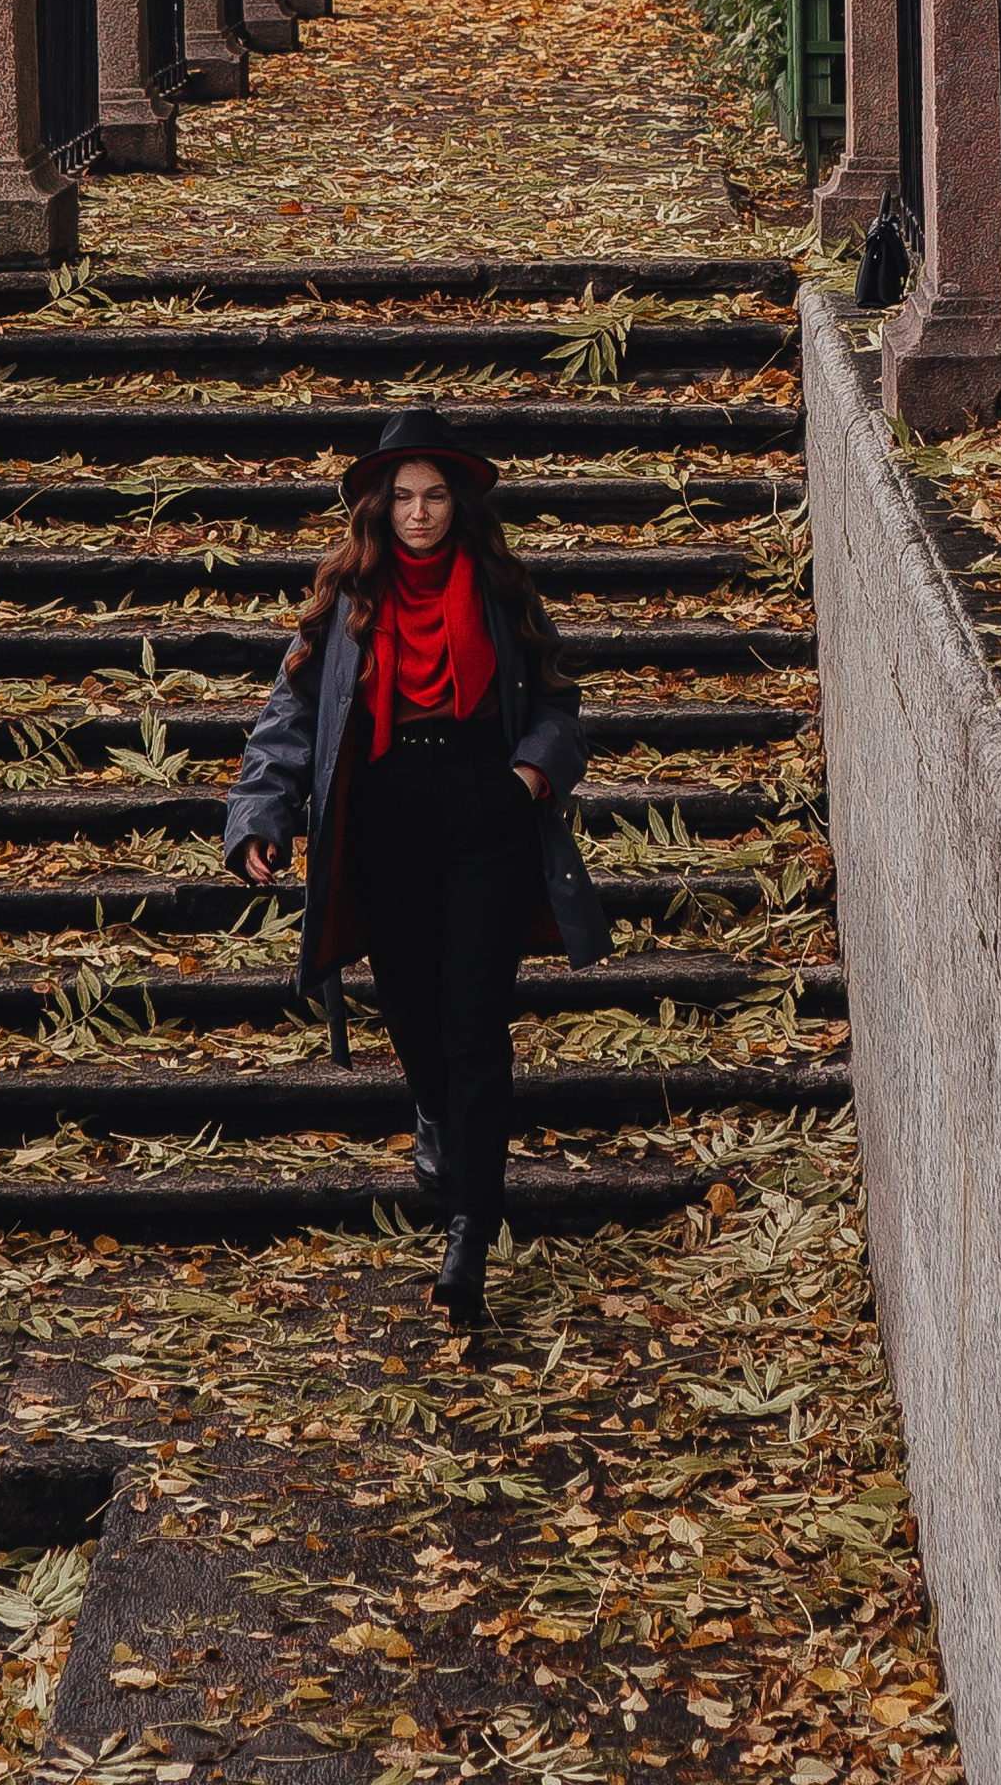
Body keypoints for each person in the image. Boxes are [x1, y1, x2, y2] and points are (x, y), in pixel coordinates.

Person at [224, 408, 610, 1323]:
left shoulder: (503, 588)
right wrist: (260, 814)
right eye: (403, 498)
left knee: (475, 1021)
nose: (421, 513)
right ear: (378, 508)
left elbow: (561, 706)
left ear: (459, 506)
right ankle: (437, 1118)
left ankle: (470, 1229)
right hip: (385, 819)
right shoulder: (345, 600)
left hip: (486, 817)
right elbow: (290, 719)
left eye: (435, 497)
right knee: (410, 1009)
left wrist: (527, 774)